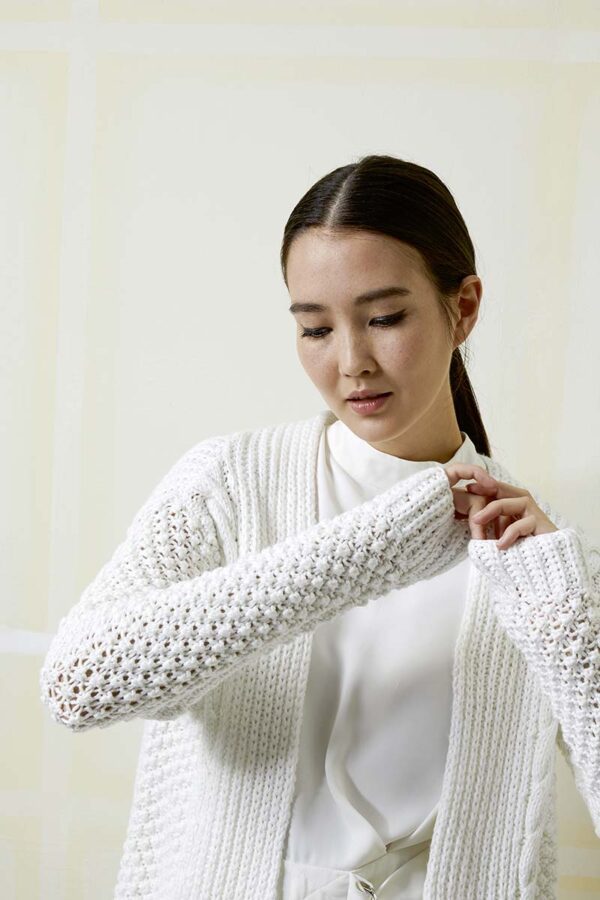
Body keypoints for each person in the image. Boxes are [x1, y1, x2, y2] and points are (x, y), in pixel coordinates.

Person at [39, 154, 600, 900]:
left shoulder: (540, 553)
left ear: (462, 308)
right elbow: (79, 683)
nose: (351, 361)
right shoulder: (230, 484)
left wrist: (567, 624)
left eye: (385, 319)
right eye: (315, 328)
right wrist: (373, 548)